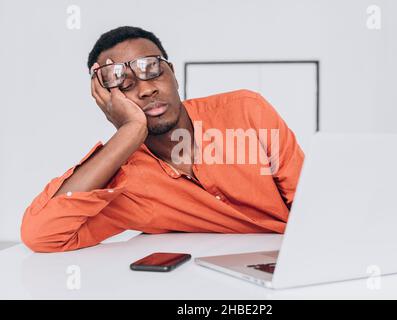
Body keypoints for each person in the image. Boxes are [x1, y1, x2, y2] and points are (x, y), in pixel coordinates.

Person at [20, 26, 305, 253]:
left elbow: (309, 203)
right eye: (124, 84)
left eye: (152, 70)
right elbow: (41, 234)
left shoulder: (246, 111)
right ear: (106, 100)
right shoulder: (122, 182)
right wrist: (129, 132)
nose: (145, 90)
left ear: (173, 75)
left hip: (294, 260)